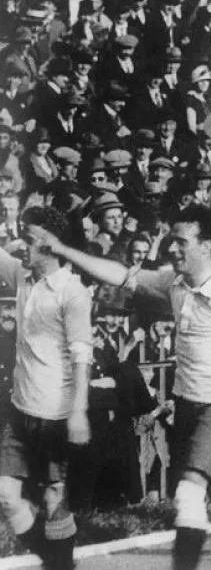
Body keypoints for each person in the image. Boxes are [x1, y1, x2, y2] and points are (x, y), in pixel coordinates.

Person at [31, 205, 211, 570]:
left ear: (208, 247)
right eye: (171, 240)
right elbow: (121, 275)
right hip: (186, 403)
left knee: (188, 494)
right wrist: (61, 249)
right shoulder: (175, 282)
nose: (173, 248)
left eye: (182, 242)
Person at [0, 207, 92, 570]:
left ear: (52, 246)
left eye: (32, 239)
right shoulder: (21, 276)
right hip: (21, 410)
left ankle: (58, 565)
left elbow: (82, 354)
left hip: (56, 413)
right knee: (6, 495)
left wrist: (79, 410)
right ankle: (55, 563)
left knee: (55, 498)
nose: (23, 244)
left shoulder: (72, 292)